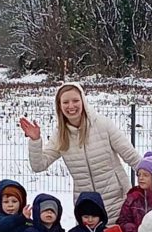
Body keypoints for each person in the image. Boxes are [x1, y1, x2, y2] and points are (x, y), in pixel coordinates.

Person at [19, 82, 142, 224]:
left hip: (117, 201)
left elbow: (132, 157)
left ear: (83, 101)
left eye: (75, 100)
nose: (71, 106)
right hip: (87, 207)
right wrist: (35, 140)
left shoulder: (102, 125)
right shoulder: (60, 134)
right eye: (65, 102)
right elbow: (38, 165)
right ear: (59, 106)